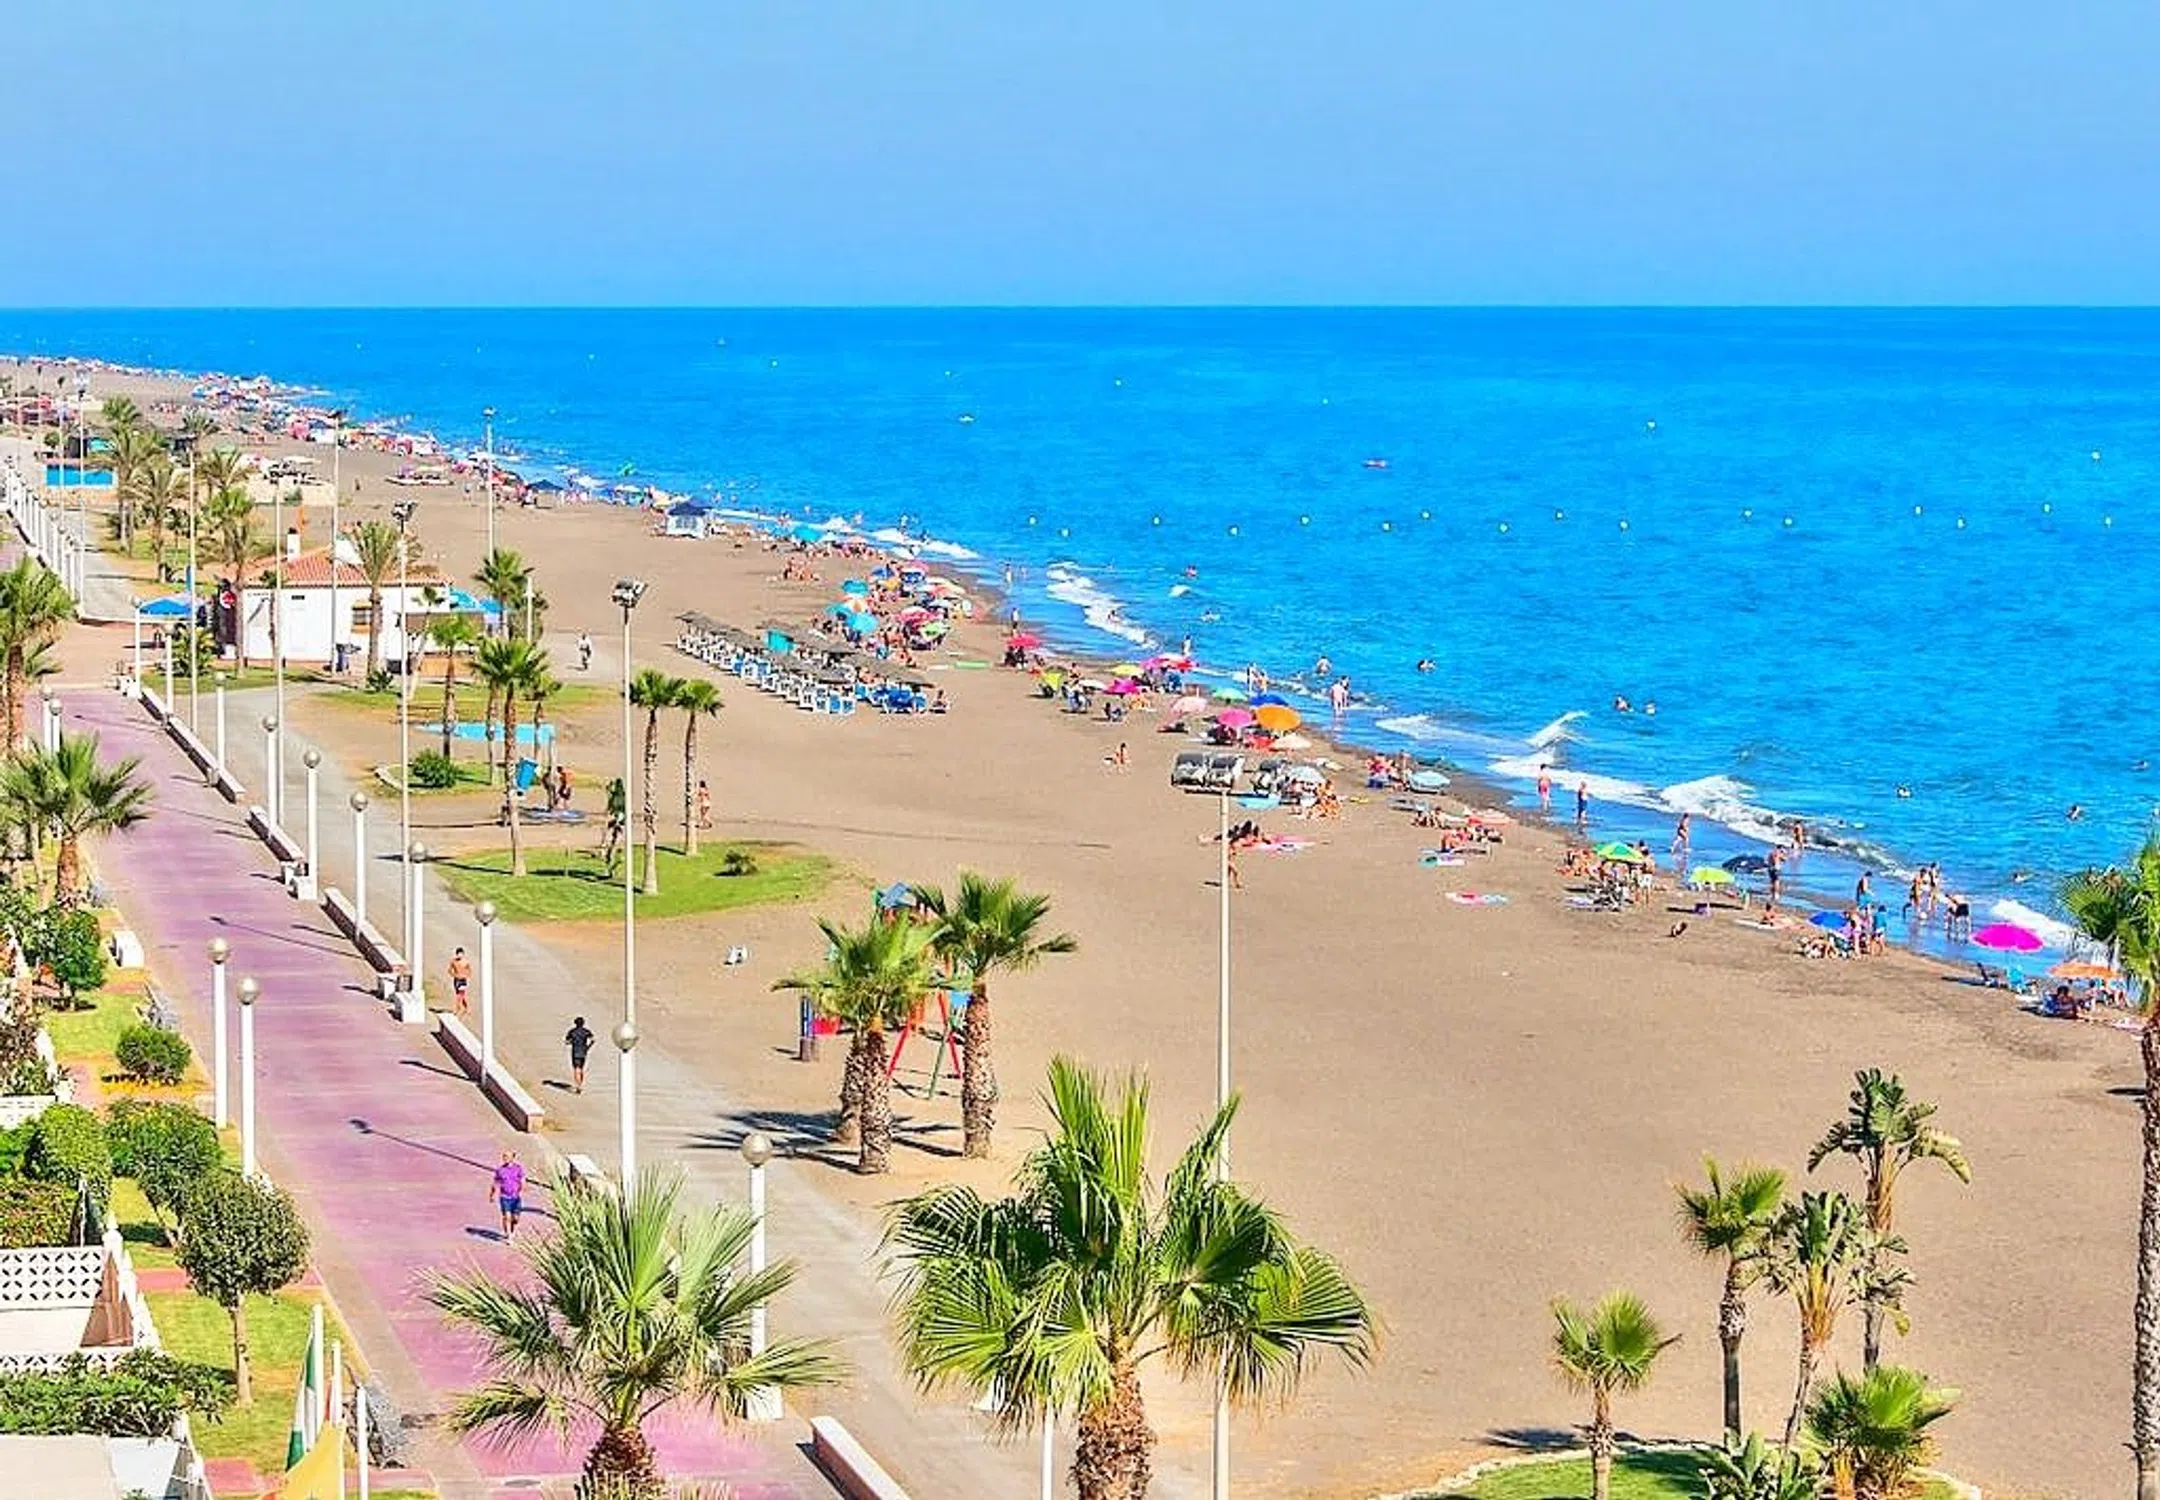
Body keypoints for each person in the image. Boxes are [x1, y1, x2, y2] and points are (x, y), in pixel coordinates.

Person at [490, 1151, 526, 1239]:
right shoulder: (500, 1170)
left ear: (513, 1158)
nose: (506, 1158)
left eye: (508, 1156)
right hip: (505, 1197)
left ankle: (512, 1230)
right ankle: (508, 1234)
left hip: (516, 1197)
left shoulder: (518, 1168)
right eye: (504, 1156)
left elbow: (522, 1179)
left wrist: (523, 1187)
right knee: (507, 1216)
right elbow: (495, 1183)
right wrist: (492, 1195)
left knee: (515, 1218)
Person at [565, 1015, 595, 1093]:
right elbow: (593, 1040)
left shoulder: (572, 1031)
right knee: (581, 1069)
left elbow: (567, 1042)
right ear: (583, 1023)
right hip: (583, 1052)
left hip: (575, 1052)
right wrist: (588, 1047)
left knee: (576, 1069)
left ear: (575, 1023)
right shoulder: (586, 1031)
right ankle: (580, 1084)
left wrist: (572, 1042)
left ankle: (578, 1086)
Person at [447, 947, 472, 1014]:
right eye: (458, 954)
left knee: (459, 995)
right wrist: (454, 975)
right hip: (456, 980)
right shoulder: (453, 962)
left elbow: (469, 970)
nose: (459, 955)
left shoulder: (466, 962)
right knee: (460, 994)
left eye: (461, 954)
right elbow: (449, 970)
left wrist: (467, 978)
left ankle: (457, 1008)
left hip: (463, 980)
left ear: (463, 954)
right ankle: (466, 1007)